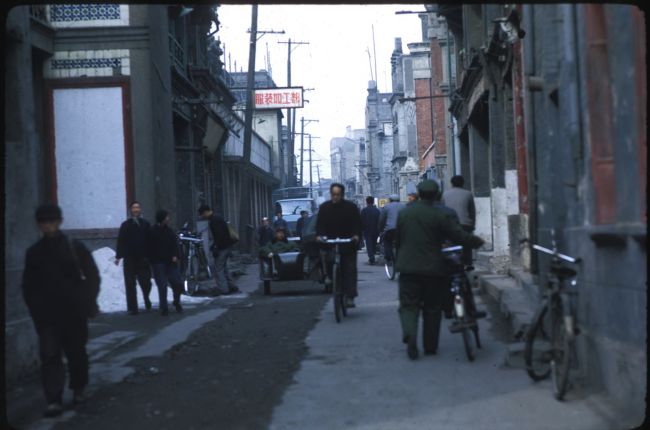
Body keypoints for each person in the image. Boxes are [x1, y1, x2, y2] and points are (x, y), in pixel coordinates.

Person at [22, 204, 100, 417]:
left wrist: (86, 302)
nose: (48, 226)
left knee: (77, 354)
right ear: (39, 225)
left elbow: (92, 276)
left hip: (74, 314)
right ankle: (54, 399)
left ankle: (79, 389)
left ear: (59, 222)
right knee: (50, 356)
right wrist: (37, 312)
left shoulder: (74, 247)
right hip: (47, 317)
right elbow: (28, 286)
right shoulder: (34, 253)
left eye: (52, 221)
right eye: (44, 222)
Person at [395, 180, 484, 360]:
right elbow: (457, 235)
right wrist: (475, 241)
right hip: (433, 269)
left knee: (408, 305)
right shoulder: (439, 215)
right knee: (432, 308)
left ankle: (410, 334)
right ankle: (430, 347)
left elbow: (399, 238)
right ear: (437, 194)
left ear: (419, 193)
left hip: (407, 268)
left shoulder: (405, 213)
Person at [316, 183, 363, 307]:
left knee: (350, 269)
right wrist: (320, 236)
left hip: (348, 243)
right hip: (331, 243)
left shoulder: (351, 207)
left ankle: (350, 296)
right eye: (333, 194)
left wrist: (356, 235)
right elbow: (320, 225)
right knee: (328, 261)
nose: (335, 197)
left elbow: (357, 224)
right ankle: (329, 278)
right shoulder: (324, 208)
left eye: (338, 195)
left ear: (342, 195)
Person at [114, 201, 152, 314]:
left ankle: (146, 297)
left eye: (138, 207)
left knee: (146, 282)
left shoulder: (145, 224)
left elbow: (151, 241)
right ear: (131, 210)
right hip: (129, 258)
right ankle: (132, 307)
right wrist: (118, 256)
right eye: (134, 208)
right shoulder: (125, 225)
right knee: (130, 283)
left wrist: (151, 254)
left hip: (143, 258)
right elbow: (121, 241)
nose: (136, 210)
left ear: (140, 210)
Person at [147, 210, 183, 316]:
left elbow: (175, 245)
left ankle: (176, 301)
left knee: (177, 283)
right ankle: (164, 307)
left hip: (170, 262)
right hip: (158, 262)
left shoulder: (170, 231)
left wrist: (176, 255)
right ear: (162, 218)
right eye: (166, 217)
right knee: (162, 285)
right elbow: (148, 247)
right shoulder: (152, 231)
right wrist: (151, 259)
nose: (168, 218)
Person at [198, 205, 240, 295]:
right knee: (223, 267)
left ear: (206, 212)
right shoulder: (217, 218)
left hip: (223, 247)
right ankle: (230, 286)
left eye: (202, 214)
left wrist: (215, 247)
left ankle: (223, 289)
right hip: (226, 245)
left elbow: (219, 236)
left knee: (218, 268)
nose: (202, 217)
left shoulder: (214, 220)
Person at [442, 175, 477, 265]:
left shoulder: (445, 195)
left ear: (452, 183)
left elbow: (442, 211)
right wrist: (472, 225)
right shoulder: (468, 194)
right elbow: (472, 212)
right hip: (465, 225)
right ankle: (468, 264)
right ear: (463, 183)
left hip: (450, 225)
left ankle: (451, 262)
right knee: (467, 245)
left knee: (450, 245)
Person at [378, 194, 406, 263]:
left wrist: (381, 229)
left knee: (387, 241)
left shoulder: (386, 207)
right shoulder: (404, 206)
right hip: (401, 229)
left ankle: (388, 256)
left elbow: (382, 219)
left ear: (390, 200)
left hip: (390, 229)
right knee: (401, 243)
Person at [360, 196, 380, 265]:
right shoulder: (377, 211)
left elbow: (361, 221)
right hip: (376, 230)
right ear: (373, 202)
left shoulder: (364, 210)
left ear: (366, 202)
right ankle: (372, 256)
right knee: (374, 243)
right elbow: (379, 221)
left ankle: (371, 258)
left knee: (369, 244)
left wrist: (361, 230)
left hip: (367, 230)